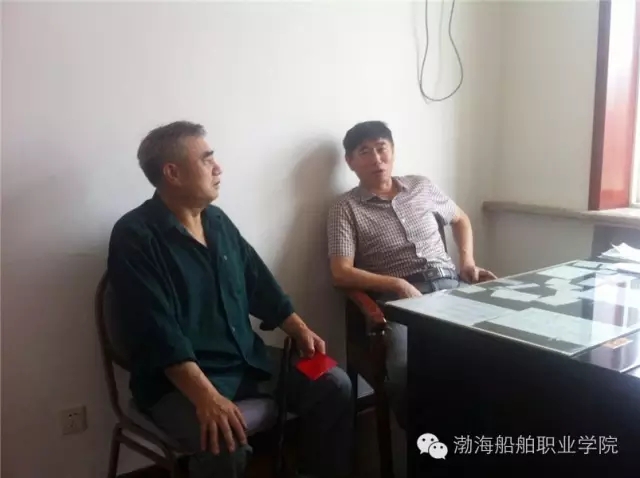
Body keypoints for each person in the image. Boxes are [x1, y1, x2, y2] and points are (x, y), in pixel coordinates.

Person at [108, 121, 353, 478]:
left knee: (334, 383)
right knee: (224, 441)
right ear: (173, 173)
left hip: (246, 360)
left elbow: (259, 283)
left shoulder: (217, 221)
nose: (218, 168)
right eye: (207, 159)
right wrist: (207, 398)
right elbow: (157, 332)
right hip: (177, 383)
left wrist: (299, 328)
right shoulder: (135, 236)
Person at [327, 120, 496, 429]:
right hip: (400, 301)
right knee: (405, 368)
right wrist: (397, 284)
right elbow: (341, 272)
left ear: (392, 151)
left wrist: (467, 262)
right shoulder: (346, 207)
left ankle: (480, 428)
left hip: (451, 286)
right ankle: (423, 438)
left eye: (382, 148)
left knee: (497, 348)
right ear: (350, 161)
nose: (376, 159)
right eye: (365, 152)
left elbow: (460, 219)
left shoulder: (421, 186)